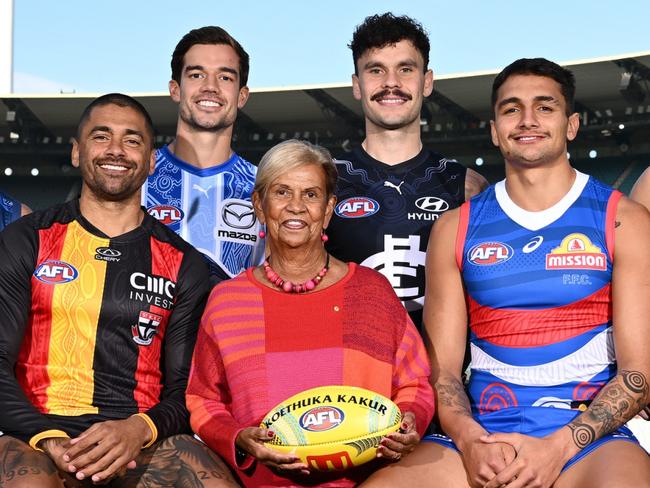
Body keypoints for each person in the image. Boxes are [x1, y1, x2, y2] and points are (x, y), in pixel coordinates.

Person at [363, 58, 650, 488]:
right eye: (512, 109)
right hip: (481, 433)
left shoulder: (623, 220)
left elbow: (638, 376)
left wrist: (558, 448)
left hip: (587, 440)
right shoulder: (454, 227)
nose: (528, 119)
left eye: (545, 107)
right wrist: (470, 438)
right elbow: (442, 373)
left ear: (571, 125)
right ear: (495, 130)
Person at [0, 93, 239, 487]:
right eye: (101, 136)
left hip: (139, 438)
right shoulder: (26, 239)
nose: (116, 149)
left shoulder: (185, 263)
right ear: (77, 152)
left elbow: (185, 390)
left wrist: (138, 430)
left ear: (150, 161)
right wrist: (47, 437)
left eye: (132, 140)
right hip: (37, 434)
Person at [186, 139, 435, 487]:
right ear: (259, 205)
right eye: (282, 192)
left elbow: (414, 383)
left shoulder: (372, 292)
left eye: (311, 194)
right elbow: (203, 400)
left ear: (329, 208)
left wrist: (410, 421)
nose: (296, 207)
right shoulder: (227, 301)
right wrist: (239, 437)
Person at [326, 13, 488, 330]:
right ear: (357, 86)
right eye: (376, 70)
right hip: (347, 376)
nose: (391, 83)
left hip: (435, 376)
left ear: (427, 81)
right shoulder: (324, 181)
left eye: (405, 69)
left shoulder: (467, 187)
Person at [142, 26, 263, 284]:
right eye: (197, 75)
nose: (210, 87)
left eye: (225, 78)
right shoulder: (138, 177)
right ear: (175, 89)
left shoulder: (264, 187)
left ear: (242, 96)